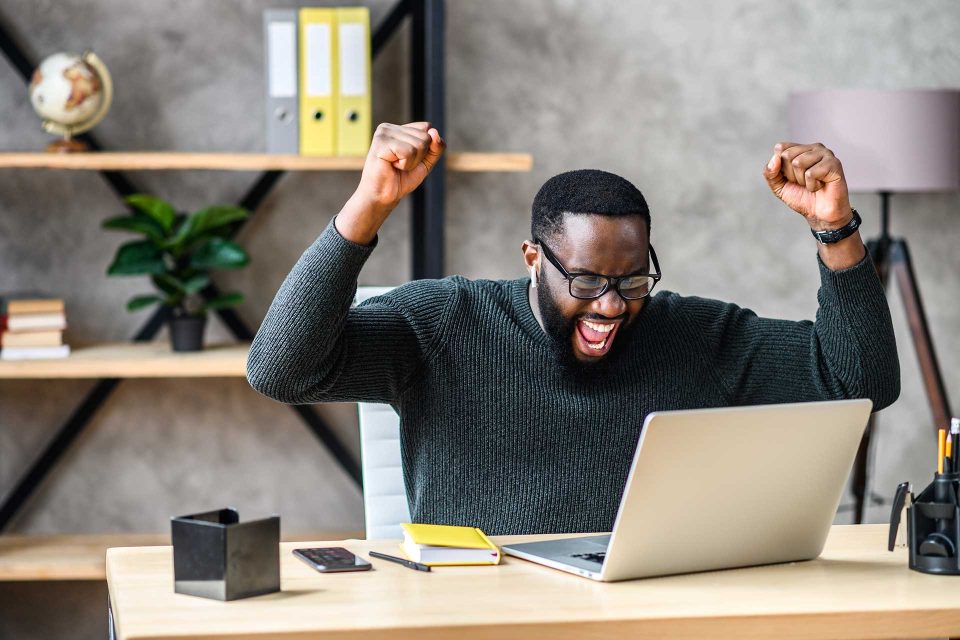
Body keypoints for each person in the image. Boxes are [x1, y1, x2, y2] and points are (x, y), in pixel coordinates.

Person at [247, 121, 900, 535]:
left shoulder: (694, 336)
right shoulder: (444, 323)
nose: (611, 307)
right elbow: (279, 369)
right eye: (586, 282)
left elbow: (860, 381)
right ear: (533, 259)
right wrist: (368, 207)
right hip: (475, 617)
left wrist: (834, 230)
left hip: (642, 616)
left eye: (633, 282)